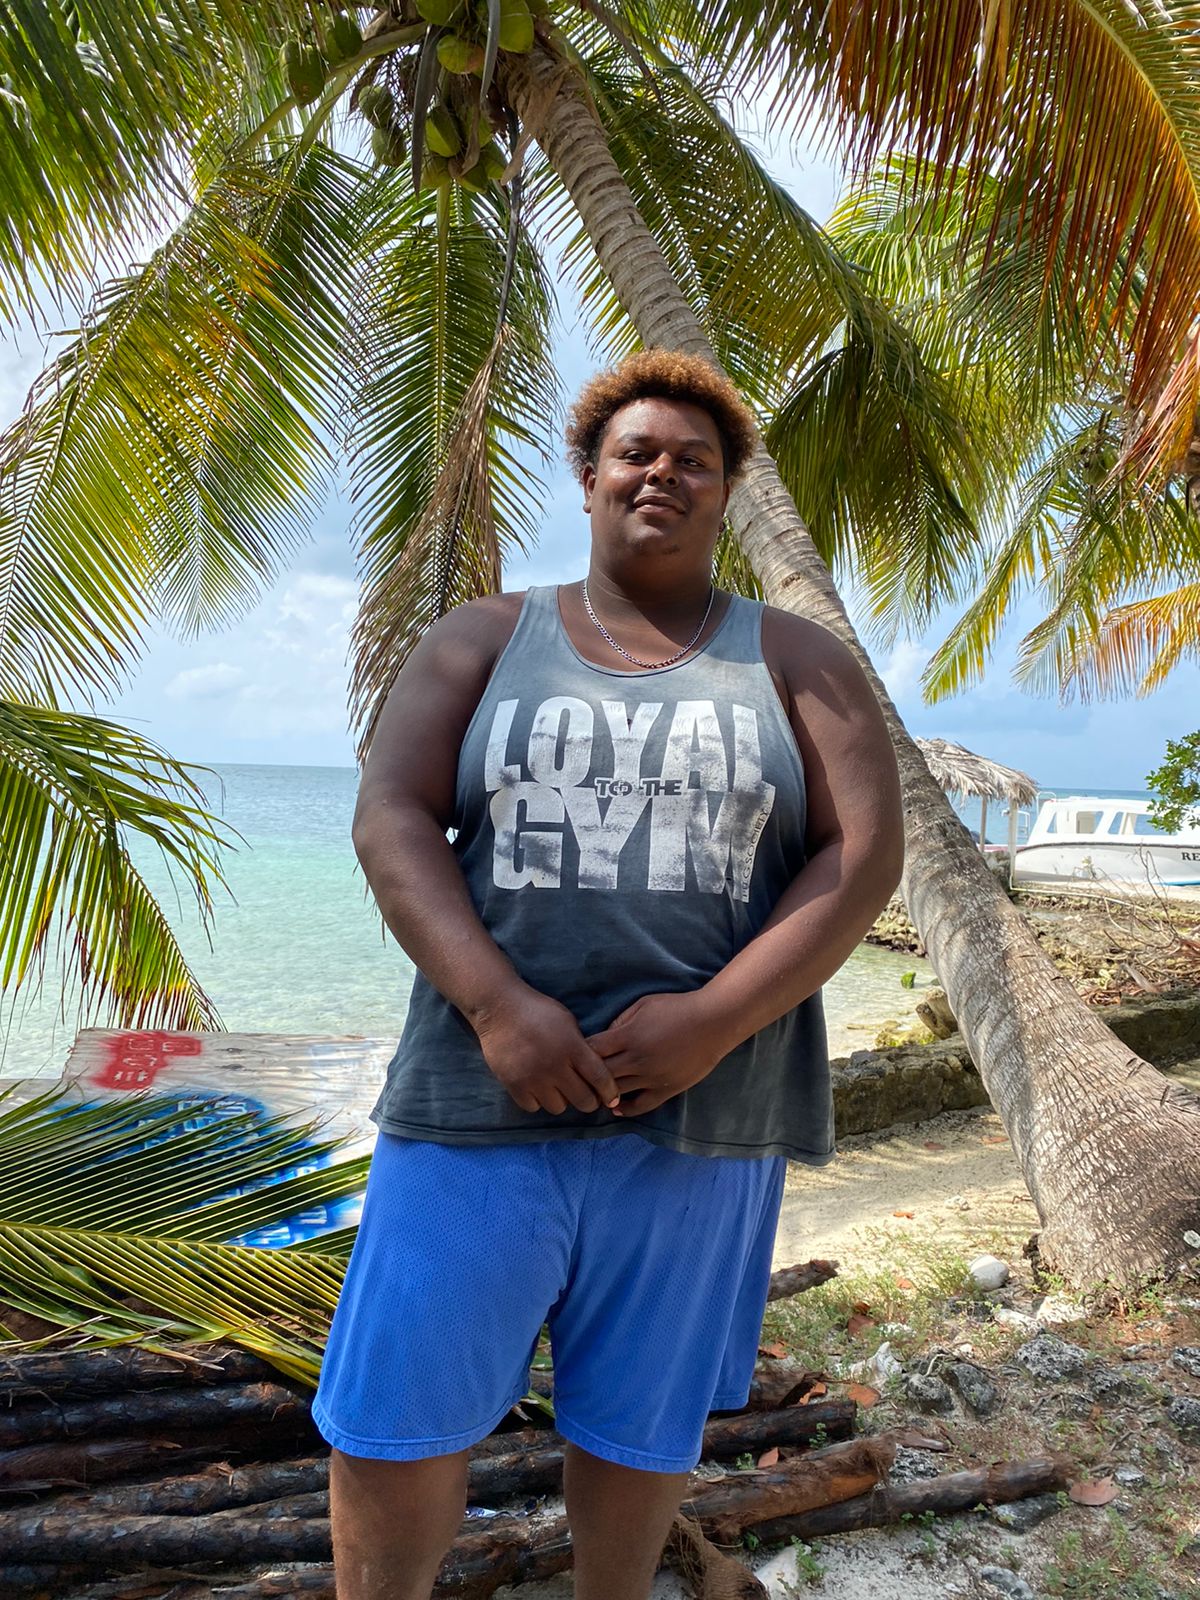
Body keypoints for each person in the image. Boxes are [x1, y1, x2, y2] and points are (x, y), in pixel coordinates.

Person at [312, 349, 904, 1599]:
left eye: (696, 460)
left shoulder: (796, 662)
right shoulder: (484, 638)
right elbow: (392, 816)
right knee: (397, 1409)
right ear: (587, 477)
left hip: (704, 1113)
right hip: (479, 1100)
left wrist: (712, 1019)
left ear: (726, 493)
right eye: (637, 452)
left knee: (639, 1418)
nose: (663, 474)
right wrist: (498, 1005)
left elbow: (861, 856)